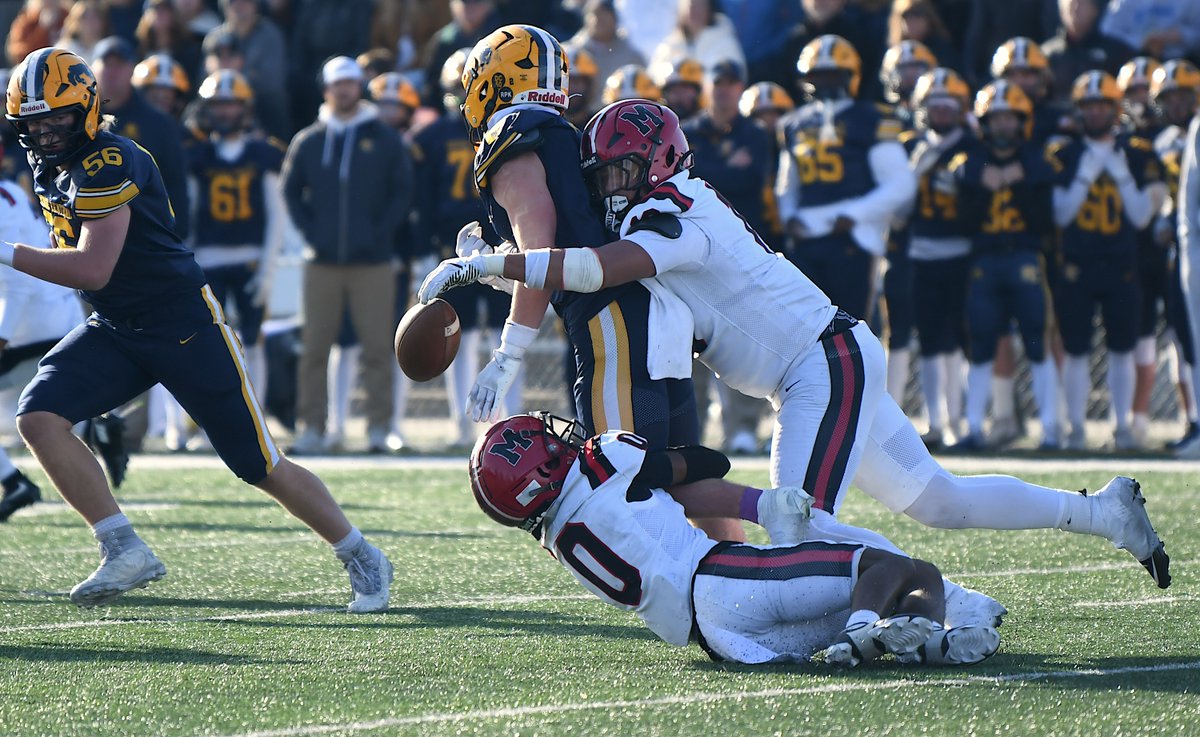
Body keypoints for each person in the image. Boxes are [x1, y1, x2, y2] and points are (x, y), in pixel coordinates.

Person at [421, 97, 1171, 591]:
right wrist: (495, 258)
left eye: (617, 168)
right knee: (940, 500)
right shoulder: (656, 206)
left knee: (796, 525)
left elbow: (588, 268)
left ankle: (945, 602)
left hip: (819, 364)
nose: (608, 184)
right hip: (821, 362)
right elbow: (579, 258)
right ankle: (1103, 513)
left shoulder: (678, 214)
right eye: (602, 173)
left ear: (652, 158)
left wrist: (488, 262)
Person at [3, 47, 392, 611]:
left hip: (182, 322)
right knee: (38, 415)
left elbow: (91, 267)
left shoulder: (110, 161)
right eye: (34, 121)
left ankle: (360, 553)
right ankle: (122, 547)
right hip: (117, 323)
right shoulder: (50, 166)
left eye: (57, 116)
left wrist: (6, 252)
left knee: (258, 464)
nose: (46, 130)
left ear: (85, 108)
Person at [457, 25, 745, 540]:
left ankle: (705, 593)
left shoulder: (513, 137)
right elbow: (554, 259)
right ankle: (766, 560)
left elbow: (544, 259)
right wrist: (499, 261)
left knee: (622, 485)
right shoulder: (563, 135)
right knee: (679, 476)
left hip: (612, 323)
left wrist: (507, 356)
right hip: (658, 312)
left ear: (492, 83)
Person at [467, 411, 1002, 666]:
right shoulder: (606, 462)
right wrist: (756, 502)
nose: (561, 437)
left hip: (715, 636)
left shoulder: (556, 536)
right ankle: (868, 630)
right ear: (539, 469)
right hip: (725, 578)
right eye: (548, 443)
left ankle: (936, 643)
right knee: (886, 565)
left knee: (918, 577)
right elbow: (704, 463)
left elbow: (665, 500)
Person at [281, 56, 410, 454]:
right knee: (315, 348)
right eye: (338, 83)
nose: (344, 90)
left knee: (377, 347)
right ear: (326, 89)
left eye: (351, 83)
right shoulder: (310, 139)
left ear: (360, 87)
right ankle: (312, 427)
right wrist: (312, 231)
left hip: (372, 262)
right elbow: (290, 189)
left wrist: (377, 234)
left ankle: (379, 427)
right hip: (321, 262)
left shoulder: (385, 139)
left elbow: (402, 193)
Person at [1047, 71, 1167, 450]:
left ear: (1115, 109)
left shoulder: (1136, 151)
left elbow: (1140, 216)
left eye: (1103, 105)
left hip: (1121, 262)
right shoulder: (1063, 153)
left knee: (1122, 348)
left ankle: (1123, 428)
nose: (1096, 112)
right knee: (1077, 348)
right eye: (1090, 105)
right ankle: (1077, 429)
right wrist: (1087, 173)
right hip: (1078, 263)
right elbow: (1062, 215)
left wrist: (1119, 173)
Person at [952, 81, 1062, 451]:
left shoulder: (1036, 161)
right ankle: (973, 428)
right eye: (995, 118)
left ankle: (1051, 430)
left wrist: (1020, 183)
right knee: (981, 344)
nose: (1002, 126)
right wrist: (984, 187)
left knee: (1037, 344)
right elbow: (963, 221)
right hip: (985, 260)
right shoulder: (971, 163)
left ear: (1021, 121)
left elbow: (1045, 221)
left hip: (1026, 257)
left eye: (1008, 118)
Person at [776, 35, 917, 322]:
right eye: (818, 75)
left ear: (849, 76)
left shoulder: (870, 118)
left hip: (854, 239)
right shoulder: (794, 124)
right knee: (805, 332)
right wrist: (789, 216)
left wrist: (854, 214)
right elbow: (787, 185)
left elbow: (901, 184)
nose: (825, 83)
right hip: (807, 239)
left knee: (854, 332)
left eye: (832, 75)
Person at [0, 139, 84, 521]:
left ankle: (13, 481)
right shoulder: (10, 194)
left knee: (40, 413)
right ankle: (102, 424)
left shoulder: (3, 202)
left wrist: (2, 336)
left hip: (33, 318)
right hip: (52, 311)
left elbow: (17, 283)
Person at [899, 68, 976, 449]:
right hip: (921, 251)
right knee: (929, 340)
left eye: (950, 104)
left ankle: (959, 421)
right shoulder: (909, 146)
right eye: (935, 104)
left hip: (964, 252)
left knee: (963, 338)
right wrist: (916, 170)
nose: (942, 111)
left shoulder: (974, 146)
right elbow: (897, 209)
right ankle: (934, 420)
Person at [92, 35, 191, 241]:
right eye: (106, 64)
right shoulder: (78, 117)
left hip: (147, 234)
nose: (112, 72)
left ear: (131, 70)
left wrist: (176, 235)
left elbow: (175, 183)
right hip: (90, 228)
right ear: (93, 68)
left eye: (119, 64)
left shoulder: (159, 123)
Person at [1151, 60, 1200, 452]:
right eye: (1171, 98)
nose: (1178, 105)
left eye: (1185, 95)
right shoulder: (1162, 142)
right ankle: (1195, 419)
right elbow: (1180, 201)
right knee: (1187, 338)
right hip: (1184, 248)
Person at [206, 0, 289, 139]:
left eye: (246, 1)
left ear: (255, 5)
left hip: (260, 107)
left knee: (275, 101)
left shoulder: (270, 35)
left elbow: (272, 82)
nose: (240, 6)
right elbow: (202, 81)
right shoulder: (214, 37)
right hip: (218, 102)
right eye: (233, 2)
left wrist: (231, 75)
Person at [1042, 0, 1133, 106]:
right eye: (1070, 3)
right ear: (1061, 11)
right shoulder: (1047, 53)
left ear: (1094, 10)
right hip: (1057, 118)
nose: (1075, 8)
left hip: (1100, 117)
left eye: (1081, 3)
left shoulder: (1115, 52)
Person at [131, 53, 191, 120]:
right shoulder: (124, 124)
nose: (161, 95)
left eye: (167, 90)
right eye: (156, 88)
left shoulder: (185, 128)